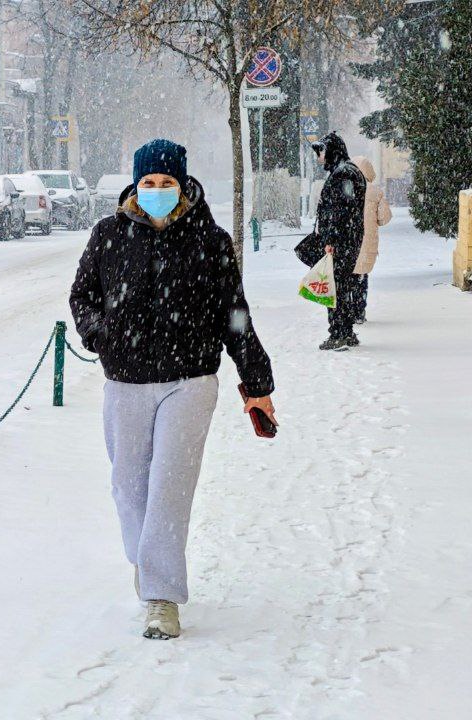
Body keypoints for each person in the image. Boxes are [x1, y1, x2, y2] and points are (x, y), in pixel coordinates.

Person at [69, 138, 277, 640]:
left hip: (190, 381)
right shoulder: (108, 235)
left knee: (168, 489)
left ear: (182, 185)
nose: (157, 191)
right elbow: (82, 296)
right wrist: (102, 336)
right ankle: (148, 563)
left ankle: (161, 597)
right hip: (125, 381)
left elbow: (235, 315)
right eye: (148, 183)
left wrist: (257, 382)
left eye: (166, 183)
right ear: (135, 186)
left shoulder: (209, 239)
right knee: (128, 487)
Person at [310, 132, 367, 350]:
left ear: (332, 150)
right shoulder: (347, 171)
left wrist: (331, 239)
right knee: (343, 287)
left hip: (341, 242)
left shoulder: (343, 173)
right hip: (348, 240)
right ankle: (346, 331)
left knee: (336, 289)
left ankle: (339, 333)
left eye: (321, 151)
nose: (319, 157)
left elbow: (341, 211)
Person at [349, 155, 393, 324]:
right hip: (366, 243)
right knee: (361, 276)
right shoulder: (375, 192)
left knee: (347, 277)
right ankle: (360, 310)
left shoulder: (345, 188)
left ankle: (348, 310)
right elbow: (384, 218)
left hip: (347, 242)